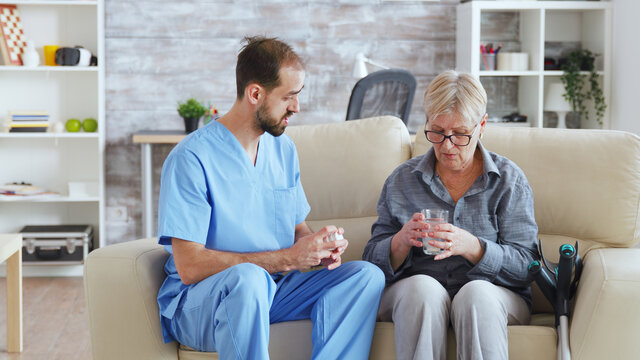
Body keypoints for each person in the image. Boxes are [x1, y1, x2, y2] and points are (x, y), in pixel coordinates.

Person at [156, 36, 385, 359]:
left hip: (274, 288)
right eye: (289, 96)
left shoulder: (283, 149)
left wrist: (316, 247)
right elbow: (190, 266)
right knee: (248, 280)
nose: (297, 107)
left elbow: (297, 229)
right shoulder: (191, 158)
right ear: (255, 94)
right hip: (203, 300)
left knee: (364, 276)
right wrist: (288, 258)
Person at [363, 70, 538, 360]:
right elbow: (370, 264)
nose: (446, 145)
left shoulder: (509, 181)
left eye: (459, 134)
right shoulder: (402, 180)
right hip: (416, 293)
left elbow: (527, 267)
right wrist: (399, 242)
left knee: (476, 294)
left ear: (481, 126)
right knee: (423, 290)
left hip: (494, 294)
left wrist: (475, 248)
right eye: (437, 131)